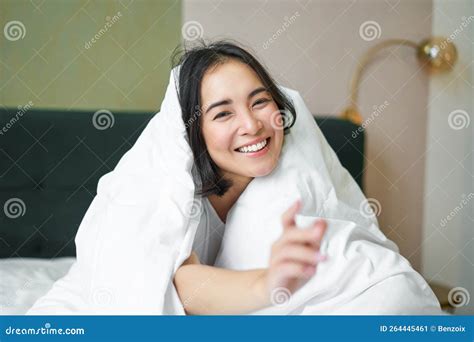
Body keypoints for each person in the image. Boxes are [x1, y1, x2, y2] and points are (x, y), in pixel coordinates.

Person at [172, 41, 329, 315]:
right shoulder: (174, 191)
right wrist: (268, 285)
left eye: (259, 102)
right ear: (194, 131)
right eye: (223, 113)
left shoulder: (294, 170)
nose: (252, 125)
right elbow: (182, 284)